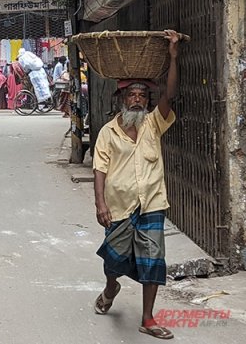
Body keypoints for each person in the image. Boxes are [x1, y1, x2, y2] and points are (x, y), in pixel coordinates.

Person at [92, 30, 181, 340]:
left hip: (152, 203)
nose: (138, 99)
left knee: (153, 261)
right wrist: (100, 203)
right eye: (132, 95)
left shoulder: (154, 123)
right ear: (122, 99)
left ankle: (148, 318)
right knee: (114, 261)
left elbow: (169, 94)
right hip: (118, 206)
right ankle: (110, 287)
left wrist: (172, 57)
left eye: (143, 96)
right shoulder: (108, 132)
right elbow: (99, 168)